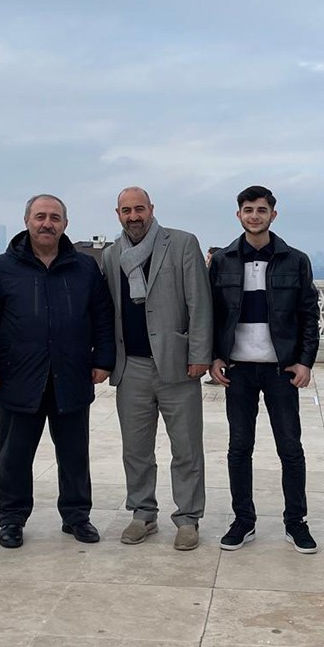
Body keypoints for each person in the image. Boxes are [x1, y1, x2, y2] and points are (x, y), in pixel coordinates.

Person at [0, 194, 115, 549]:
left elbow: (102, 317)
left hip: (71, 376)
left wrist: (103, 360)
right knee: (14, 455)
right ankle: (12, 519)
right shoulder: (1, 268)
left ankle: (77, 516)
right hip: (18, 378)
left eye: (54, 217)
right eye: (40, 217)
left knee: (74, 454)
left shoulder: (84, 268)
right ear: (27, 221)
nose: (47, 223)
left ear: (65, 224)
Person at [209, 185, 321, 553]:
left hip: (280, 370)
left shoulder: (295, 260)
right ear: (238, 215)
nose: (254, 216)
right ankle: (243, 520)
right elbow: (212, 313)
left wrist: (304, 361)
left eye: (261, 210)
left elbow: (309, 313)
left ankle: (296, 522)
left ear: (273, 214)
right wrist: (215, 356)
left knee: (290, 448)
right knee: (239, 448)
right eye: (248, 210)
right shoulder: (223, 260)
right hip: (238, 369)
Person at [100, 186, 211, 550]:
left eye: (139, 209)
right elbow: (108, 309)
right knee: (135, 449)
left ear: (151, 209)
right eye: (126, 210)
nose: (133, 216)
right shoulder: (112, 255)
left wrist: (200, 354)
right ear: (118, 214)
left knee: (186, 447)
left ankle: (188, 518)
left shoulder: (181, 244)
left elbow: (199, 303)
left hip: (177, 364)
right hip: (130, 366)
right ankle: (143, 513)